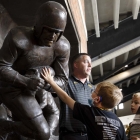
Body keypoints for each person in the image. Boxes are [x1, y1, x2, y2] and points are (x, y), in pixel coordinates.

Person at [0, 1, 70, 140]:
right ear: (38, 25)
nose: (52, 36)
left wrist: (46, 82)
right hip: (10, 87)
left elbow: (63, 80)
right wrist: (26, 81)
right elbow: (2, 66)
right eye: (49, 30)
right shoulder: (18, 37)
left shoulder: (62, 46)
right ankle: (5, 126)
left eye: (57, 33)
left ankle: (6, 126)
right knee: (42, 133)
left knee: (42, 133)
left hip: (34, 89)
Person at [41, 68, 127, 140]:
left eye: (94, 91)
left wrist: (51, 81)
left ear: (97, 99)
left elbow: (65, 98)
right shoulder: (118, 122)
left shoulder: (91, 113)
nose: (91, 92)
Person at [59, 53, 94, 140]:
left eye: (90, 62)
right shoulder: (66, 83)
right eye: (86, 62)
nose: (90, 65)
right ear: (76, 65)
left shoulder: (93, 88)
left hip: (90, 135)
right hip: (71, 135)